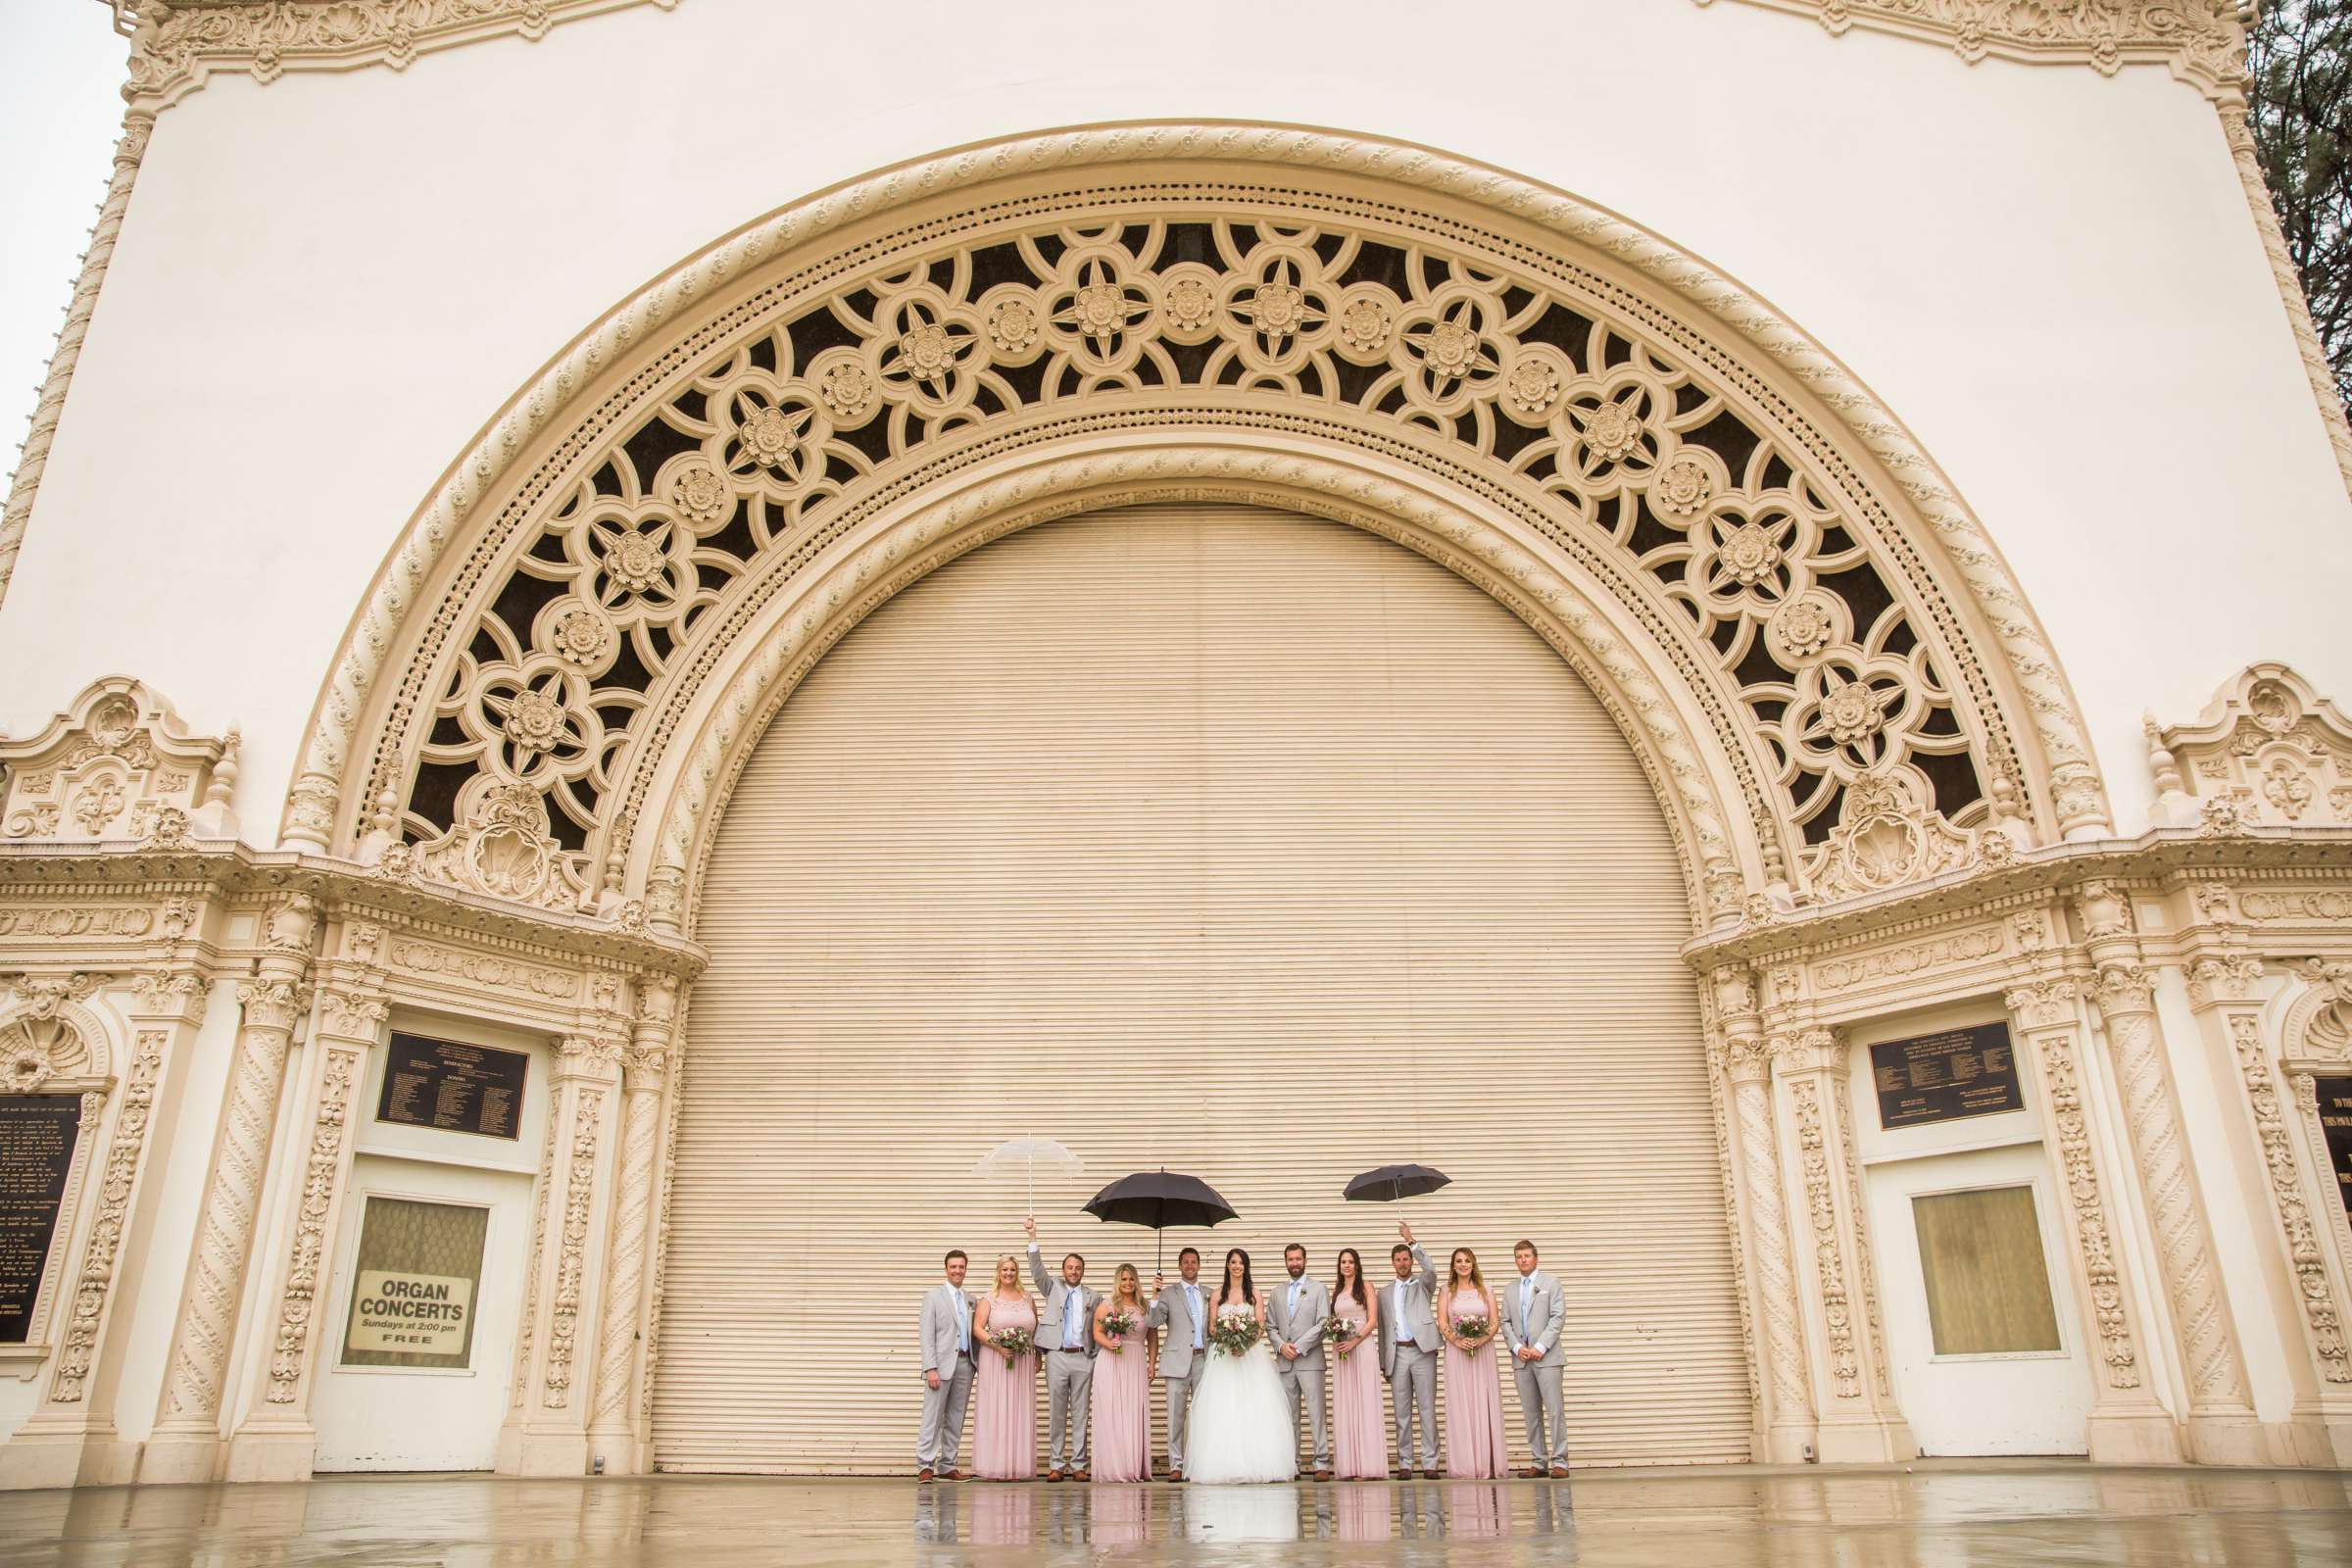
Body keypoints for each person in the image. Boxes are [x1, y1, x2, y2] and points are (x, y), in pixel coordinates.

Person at [1183, 1248, 1297, 1483]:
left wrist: (1245, 1344)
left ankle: (1259, 1462)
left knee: (1253, 1408)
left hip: (1250, 1355)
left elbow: (1261, 1325)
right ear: (1227, 1266)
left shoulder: (1254, 1293)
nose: (1236, 1266)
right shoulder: (1217, 1294)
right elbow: (1212, 1327)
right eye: (1233, 1262)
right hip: (1223, 1357)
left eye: (1240, 1263)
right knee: (1223, 1409)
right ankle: (1222, 1464)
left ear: (1245, 1267)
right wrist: (1226, 1336)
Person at [1024, 1216, 1102, 1481]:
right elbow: (1037, 1271)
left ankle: (1079, 1465)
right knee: (1057, 1411)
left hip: (1083, 1356)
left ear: (1083, 1271)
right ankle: (1056, 1464)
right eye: (1070, 1267)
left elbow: (1100, 1326)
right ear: (1063, 1270)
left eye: (1078, 1268)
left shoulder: (1093, 1296)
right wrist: (1033, 1238)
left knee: (1081, 1412)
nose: (1074, 1271)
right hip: (1057, 1354)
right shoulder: (1053, 1287)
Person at [1437, 1244, 1508, 1478]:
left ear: (1473, 1264)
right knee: (1461, 1403)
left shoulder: (1485, 1289)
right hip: (1457, 1354)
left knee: (1483, 1400)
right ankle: (1465, 1463)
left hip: (1483, 1352)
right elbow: (1443, 1322)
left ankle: (1487, 1462)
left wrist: (1482, 1338)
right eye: (1459, 1261)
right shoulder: (1446, 1291)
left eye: (1467, 1261)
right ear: (1453, 1266)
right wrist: (1457, 1341)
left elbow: (1495, 1320)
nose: (1463, 1265)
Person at [1264, 1242, 1334, 1480]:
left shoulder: (1318, 1289)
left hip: (1310, 1360)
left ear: (1305, 1260)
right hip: (1285, 1362)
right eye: (1290, 1259)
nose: (1294, 1263)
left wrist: (1300, 1346)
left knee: (1316, 1413)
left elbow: (1324, 1322)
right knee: (1289, 1416)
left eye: (1298, 1259)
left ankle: (1321, 1463)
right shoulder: (1276, 1292)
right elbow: (1270, 1325)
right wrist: (1282, 1346)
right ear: (1285, 1262)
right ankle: (1291, 1463)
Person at [1377, 1222, 1441, 1478]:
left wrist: (1412, 1241)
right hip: (1398, 1354)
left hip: (1422, 1351)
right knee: (1401, 1412)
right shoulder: (1384, 1293)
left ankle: (1430, 1462)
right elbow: (1383, 1329)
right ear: (1393, 1263)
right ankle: (1405, 1462)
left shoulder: (1422, 1285)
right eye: (1398, 1260)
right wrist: (1384, 1362)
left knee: (1427, 1409)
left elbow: (1432, 1269)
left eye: (1406, 1259)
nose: (1403, 1263)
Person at [1503, 1239, 1570, 1478]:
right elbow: (1505, 1322)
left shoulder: (1551, 1283)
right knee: (1531, 1412)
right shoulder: (1510, 1289)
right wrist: (1516, 1347)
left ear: (1535, 1258)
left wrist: (1540, 1346)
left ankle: (1560, 1461)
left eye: (1527, 1256)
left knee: (1554, 1411)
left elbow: (1557, 1317)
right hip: (1522, 1360)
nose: (1523, 1260)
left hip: (1547, 1358)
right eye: (1519, 1257)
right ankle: (1538, 1461)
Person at [970, 1253, 1038, 1481]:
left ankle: (1017, 1466)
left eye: (1013, 1270)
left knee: (1019, 1409)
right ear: (998, 1272)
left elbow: (1034, 1329)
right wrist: (998, 1346)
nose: (1009, 1274)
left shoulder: (1028, 1298)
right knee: (997, 1409)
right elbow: (978, 1328)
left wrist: (1036, 1354)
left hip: (1022, 1361)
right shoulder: (989, 1299)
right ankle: (995, 1466)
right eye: (1005, 1270)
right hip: (996, 1360)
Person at [1147, 1247, 1210, 1481]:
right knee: (1175, 1415)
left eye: (1194, 1262)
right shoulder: (1167, 1293)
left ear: (1199, 1265)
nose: (1190, 1266)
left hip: (1204, 1359)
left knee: (1204, 1414)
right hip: (1176, 1361)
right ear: (1179, 1266)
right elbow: (1152, 1321)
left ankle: (1201, 1462)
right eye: (1186, 1262)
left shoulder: (1210, 1293)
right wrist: (1154, 1295)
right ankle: (1176, 1464)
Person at [1089, 1263, 1152, 1483]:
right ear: (1118, 1281)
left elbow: (1152, 1337)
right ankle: (1113, 1467)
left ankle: (1132, 1466)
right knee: (1114, 1413)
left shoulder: (1145, 1307)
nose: (1128, 1283)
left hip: (1135, 1361)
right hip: (1111, 1361)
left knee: (1133, 1413)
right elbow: (1096, 1332)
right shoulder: (1107, 1306)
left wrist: (1152, 1363)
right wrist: (1109, 1344)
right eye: (1124, 1279)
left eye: (1131, 1279)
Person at [1327, 1246, 1385, 1480]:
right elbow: (1335, 1319)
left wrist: (1355, 1341)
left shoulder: (1366, 1287)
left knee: (1365, 1400)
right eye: (1343, 1262)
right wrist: (1337, 1335)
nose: (1347, 1266)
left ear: (1357, 1265)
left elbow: (1373, 1321)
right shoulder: (1337, 1292)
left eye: (1351, 1262)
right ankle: (1350, 1464)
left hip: (1362, 1348)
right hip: (1342, 1350)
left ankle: (1369, 1464)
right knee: (1347, 1402)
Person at [917, 1249, 975, 1481]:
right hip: (940, 1367)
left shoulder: (971, 1299)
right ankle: (925, 1465)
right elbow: (926, 1334)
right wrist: (930, 1367)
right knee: (932, 1416)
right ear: (946, 1269)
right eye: (953, 1267)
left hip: (965, 1364)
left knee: (956, 1417)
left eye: (961, 1267)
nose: (957, 1271)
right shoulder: (933, 1296)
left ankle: (948, 1464)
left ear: (965, 1270)